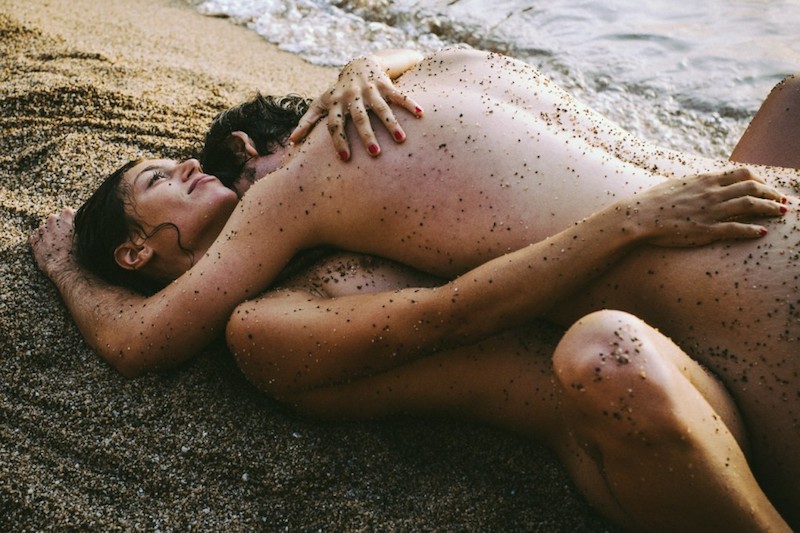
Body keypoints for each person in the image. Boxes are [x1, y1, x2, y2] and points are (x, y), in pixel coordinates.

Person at [30, 48, 798, 530]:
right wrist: (625, 222)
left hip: (710, 287)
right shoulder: (264, 310)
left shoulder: (378, 146)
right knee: (604, 347)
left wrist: (368, 58)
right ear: (134, 251)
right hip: (650, 386)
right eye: (162, 176)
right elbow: (446, 313)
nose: (188, 169)